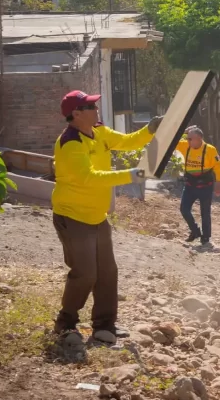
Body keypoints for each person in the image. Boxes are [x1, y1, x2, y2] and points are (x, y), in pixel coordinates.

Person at [51, 90, 161, 344]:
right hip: (73, 216)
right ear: (76, 114)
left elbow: (128, 141)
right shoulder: (70, 143)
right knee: (85, 273)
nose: (96, 109)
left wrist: (150, 130)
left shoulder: (99, 131)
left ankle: (105, 324)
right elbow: (89, 178)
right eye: (90, 107)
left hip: (97, 216)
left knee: (108, 271)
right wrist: (131, 174)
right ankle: (65, 323)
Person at [175, 125, 220, 247]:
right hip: (190, 185)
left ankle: (206, 238)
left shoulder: (210, 150)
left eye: (191, 138)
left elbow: (217, 167)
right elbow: (172, 140)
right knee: (184, 209)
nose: (188, 141)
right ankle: (195, 231)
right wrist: (183, 131)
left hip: (205, 185)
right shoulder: (185, 146)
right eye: (187, 138)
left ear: (199, 138)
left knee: (205, 212)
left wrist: (218, 183)